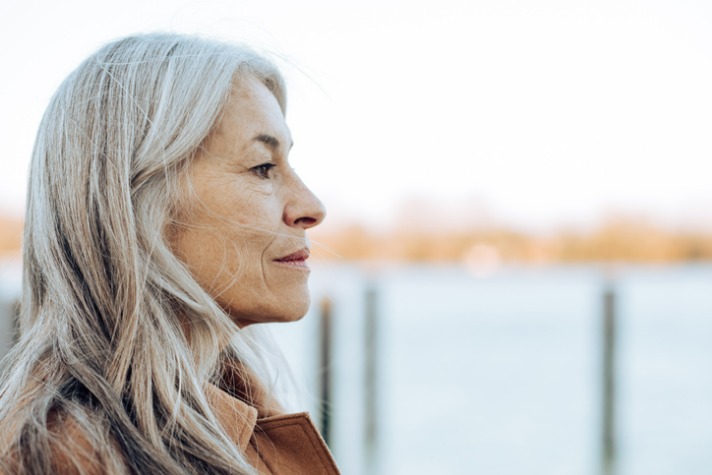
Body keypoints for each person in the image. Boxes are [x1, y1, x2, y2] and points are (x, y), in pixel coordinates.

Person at [0, 33, 338, 474]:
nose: (311, 208)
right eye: (262, 167)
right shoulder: (68, 455)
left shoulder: (238, 419)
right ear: (133, 200)